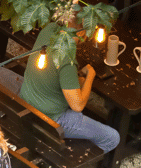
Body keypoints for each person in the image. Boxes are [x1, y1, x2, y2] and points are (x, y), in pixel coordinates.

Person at [19, 21, 120, 153]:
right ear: (81, 31)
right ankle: (80, 156)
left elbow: (55, 73)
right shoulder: (66, 58)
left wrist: (77, 77)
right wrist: (90, 75)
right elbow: (78, 106)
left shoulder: (49, 28)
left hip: (26, 103)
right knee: (112, 137)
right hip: (50, 119)